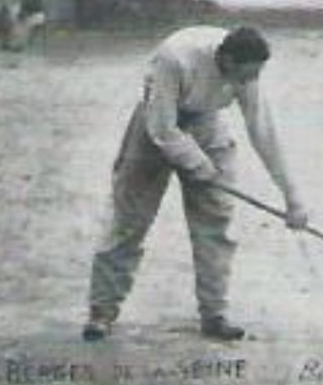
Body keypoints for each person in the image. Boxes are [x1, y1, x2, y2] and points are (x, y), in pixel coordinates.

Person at [82, 25, 308, 342]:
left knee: (216, 222)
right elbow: (162, 128)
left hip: (206, 122)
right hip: (155, 125)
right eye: (244, 76)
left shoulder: (248, 72)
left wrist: (292, 197)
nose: (248, 83)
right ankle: (101, 311)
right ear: (227, 61)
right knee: (129, 220)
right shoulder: (175, 59)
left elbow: (263, 131)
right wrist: (199, 164)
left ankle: (214, 314)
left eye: (254, 76)